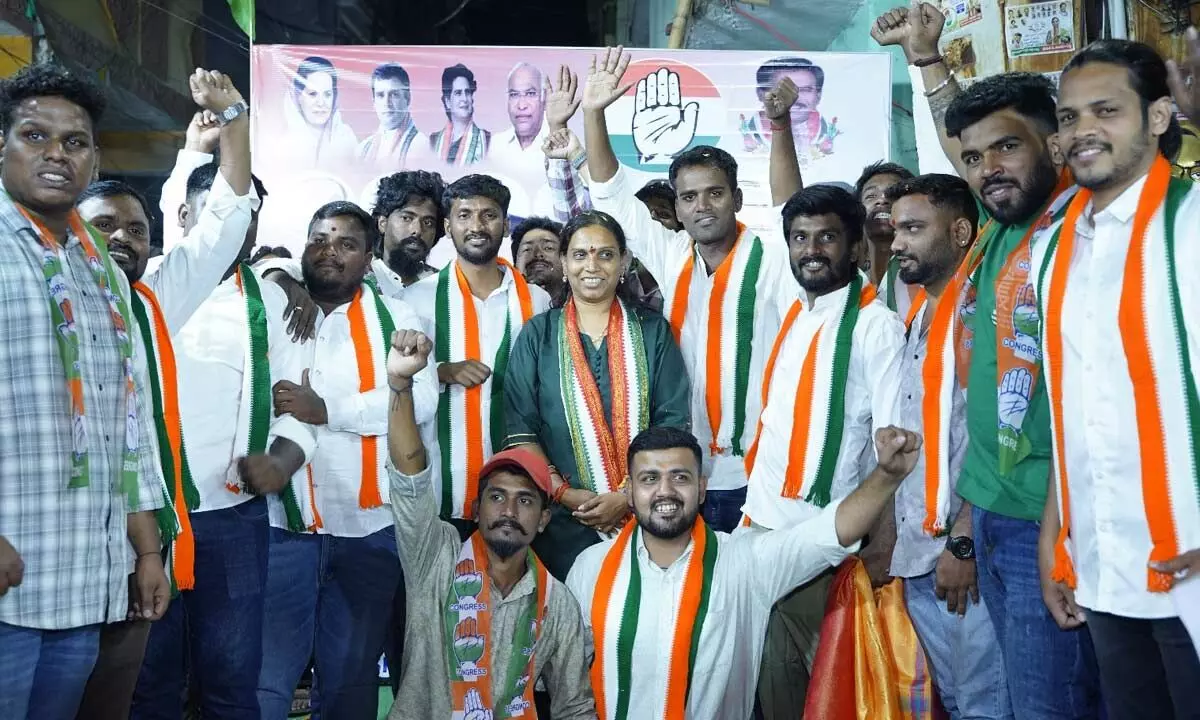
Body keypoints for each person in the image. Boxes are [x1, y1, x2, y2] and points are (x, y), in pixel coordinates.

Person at [873, 5, 1102, 717]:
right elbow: (962, 148)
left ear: (1059, 143)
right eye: (975, 161)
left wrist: (1047, 533)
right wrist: (927, 57)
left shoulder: (1082, 230)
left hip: (1051, 520)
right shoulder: (997, 235)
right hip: (994, 518)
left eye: (1008, 149)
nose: (987, 171)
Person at [73, 68, 255, 720]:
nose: (122, 237)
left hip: (137, 546)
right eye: (104, 225)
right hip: (52, 549)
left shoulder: (154, 301)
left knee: (119, 701)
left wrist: (233, 117)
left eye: (137, 228)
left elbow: (228, 215)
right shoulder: (37, 295)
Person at [1035, 38, 1199, 720]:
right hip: (1102, 565)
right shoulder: (1054, 246)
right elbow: (1075, 408)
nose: (1083, 131)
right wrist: (1053, 537)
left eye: (1107, 110)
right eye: (1069, 117)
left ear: (1160, 117)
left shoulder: (1192, 225)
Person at [0, 62, 168, 720]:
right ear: (3, 145)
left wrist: (146, 551)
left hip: (84, 582)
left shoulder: (101, 270)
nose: (56, 154)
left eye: (74, 143)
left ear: (94, 158)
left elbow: (125, 422)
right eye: (35, 136)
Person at [581, 47, 797, 535]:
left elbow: (793, 208)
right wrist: (594, 113)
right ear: (676, 208)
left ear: (737, 199)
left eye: (715, 193)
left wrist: (780, 127)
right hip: (685, 472)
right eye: (689, 197)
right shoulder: (673, 255)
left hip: (762, 470)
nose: (702, 206)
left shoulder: (773, 259)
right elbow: (611, 191)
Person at [569, 424, 923, 720]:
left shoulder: (744, 560)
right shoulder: (591, 567)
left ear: (702, 489)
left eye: (680, 477)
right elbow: (568, 679)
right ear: (629, 492)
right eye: (649, 479)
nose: (665, 491)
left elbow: (831, 532)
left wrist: (886, 477)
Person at [131, 165, 317, 720]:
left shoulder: (278, 303)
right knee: (150, 681)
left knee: (233, 681)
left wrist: (279, 464)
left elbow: (300, 413)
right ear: (186, 218)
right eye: (225, 212)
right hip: (146, 518)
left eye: (250, 215)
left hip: (232, 520)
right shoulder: (147, 287)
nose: (240, 226)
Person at [257, 202, 438, 719]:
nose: (330, 251)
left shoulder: (396, 316)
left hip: (369, 530)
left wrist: (327, 411)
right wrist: (281, 273)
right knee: (267, 680)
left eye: (346, 244)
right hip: (281, 525)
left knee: (349, 682)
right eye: (319, 239)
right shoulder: (274, 300)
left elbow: (421, 399)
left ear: (367, 258)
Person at [740, 184, 905, 718]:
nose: (811, 250)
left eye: (827, 237)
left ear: (856, 246)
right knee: (773, 680)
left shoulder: (876, 327)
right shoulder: (795, 312)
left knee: (829, 689)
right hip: (761, 527)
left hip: (823, 537)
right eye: (800, 238)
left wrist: (880, 551)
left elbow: (894, 450)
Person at [384, 329, 597, 719]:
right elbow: (410, 480)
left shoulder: (557, 603)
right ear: (476, 508)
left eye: (526, 500)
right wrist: (400, 384)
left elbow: (575, 706)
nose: (509, 511)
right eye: (496, 496)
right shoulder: (436, 556)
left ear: (544, 519)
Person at [882, 174, 1012, 719]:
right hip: (917, 555)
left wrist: (963, 542)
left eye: (912, 228)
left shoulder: (984, 311)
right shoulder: (918, 315)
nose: (895, 244)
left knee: (985, 706)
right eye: (894, 230)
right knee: (955, 703)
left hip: (966, 554)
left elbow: (997, 441)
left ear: (961, 231)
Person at [503, 211, 692, 580]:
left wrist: (627, 496)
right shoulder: (537, 336)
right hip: (562, 522)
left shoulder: (653, 332)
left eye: (605, 254)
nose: (592, 265)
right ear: (563, 261)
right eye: (580, 254)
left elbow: (672, 424)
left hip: (648, 511)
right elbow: (519, 428)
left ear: (624, 261)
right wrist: (562, 493)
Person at [402, 175, 552, 539]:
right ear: (447, 226)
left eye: (489, 215)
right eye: (464, 215)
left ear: (505, 225)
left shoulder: (537, 301)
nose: (476, 226)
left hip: (519, 493)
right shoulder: (415, 300)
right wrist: (441, 372)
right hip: (441, 488)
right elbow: (393, 381)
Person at [752, 57, 838, 162]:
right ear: (761, 94)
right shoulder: (749, 133)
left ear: (818, 96)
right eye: (783, 90)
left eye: (806, 90)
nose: (794, 98)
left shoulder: (828, 134)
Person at [283, 56, 358, 168]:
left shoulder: (346, 137)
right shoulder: (286, 145)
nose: (321, 103)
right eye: (313, 94)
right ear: (298, 95)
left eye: (327, 94)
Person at [854, 161, 915, 294]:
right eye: (871, 196)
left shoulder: (925, 277)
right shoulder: (849, 288)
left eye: (892, 193)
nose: (882, 200)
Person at [358, 63, 429, 171]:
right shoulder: (363, 149)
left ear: (407, 98)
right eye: (381, 95)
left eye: (394, 95)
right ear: (374, 102)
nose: (387, 103)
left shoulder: (421, 145)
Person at [490, 63, 549, 184]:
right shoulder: (494, 145)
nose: (521, 105)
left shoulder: (562, 145)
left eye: (531, 94)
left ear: (545, 98)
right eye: (514, 95)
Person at [429, 64, 490, 167]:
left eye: (468, 92)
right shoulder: (433, 141)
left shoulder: (487, 140)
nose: (465, 99)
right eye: (458, 93)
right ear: (448, 102)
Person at [512, 215, 564, 297]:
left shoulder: (584, 305)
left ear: (565, 260)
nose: (538, 254)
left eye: (548, 248)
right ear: (515, 265)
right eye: (527, 249)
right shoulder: (503, 305)